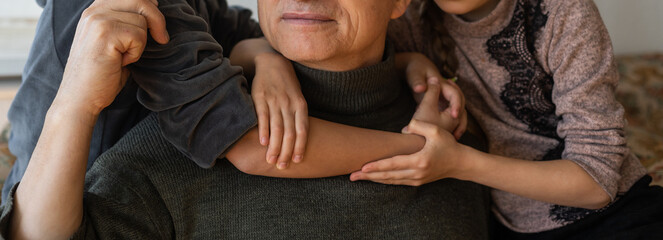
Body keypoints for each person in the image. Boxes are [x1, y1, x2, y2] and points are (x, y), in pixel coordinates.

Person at [0, 0, 490, 239]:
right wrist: (426, 151)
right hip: (60, 145)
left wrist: (265, 56)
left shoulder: (468, 137)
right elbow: (255, 145)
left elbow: (238, 32)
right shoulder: (166, 156)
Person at [347, 0, 663, 238]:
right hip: (502, 226)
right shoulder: (408, 15)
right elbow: (319, 43)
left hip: (616, 216)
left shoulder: (562, 11)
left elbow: (597, 184)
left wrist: (458, 163)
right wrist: (408, 61)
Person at [2, 0, 263, 203]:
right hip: (63, 202)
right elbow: (233, 137)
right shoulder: (144, 8)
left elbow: (233, 31)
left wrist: (266, 59)